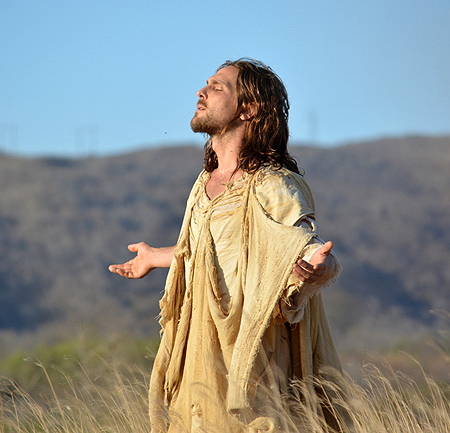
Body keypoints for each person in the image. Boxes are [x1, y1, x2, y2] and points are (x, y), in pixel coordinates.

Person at [109, 58, 343, 432]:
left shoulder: (273, 185)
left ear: (248, 109)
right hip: (200, 362)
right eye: (206, 85)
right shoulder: (204, 182)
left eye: (218, 87)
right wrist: (156, 257)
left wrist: (319, 270)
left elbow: (304, 249)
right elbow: (211, 252)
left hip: (252, 365)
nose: (201, 92)